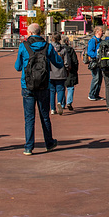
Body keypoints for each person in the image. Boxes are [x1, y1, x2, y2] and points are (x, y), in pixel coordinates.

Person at [14, 23, 64, 155]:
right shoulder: (47, 47)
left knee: (29, 117)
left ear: (30, 33)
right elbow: (58, 64)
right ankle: (49, 142)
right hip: (44, 85)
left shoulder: (23, 46)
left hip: (27, 86)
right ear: (40, 32)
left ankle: (28, 147)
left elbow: (18, 67)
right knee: (44, 116)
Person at [49, 32, 69, 115]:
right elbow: (66, 62)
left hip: (50, 72)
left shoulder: (48, 49)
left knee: (52, 91)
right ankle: (60, 102)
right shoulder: (63, 49)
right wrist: (67, 69)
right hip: (61, 72)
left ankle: (52, 109)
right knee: (60, 89)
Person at [86, 26, 104, 101]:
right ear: (97, 32)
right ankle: (91, 94)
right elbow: (89, 52)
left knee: (100, 78)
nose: (102, 33)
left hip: (99, 62)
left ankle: (96, 94)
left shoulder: (100, 41)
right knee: (96, 78)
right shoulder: (93, 41)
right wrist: (96, 56)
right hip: (94, 61)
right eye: (101, 31)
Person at [62, 36, 79, 111]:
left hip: (59, 71)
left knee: (61, 88)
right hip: (70, 70)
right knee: (70, 87)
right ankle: (69, 102)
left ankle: (62, 103)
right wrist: (75, 69)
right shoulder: (70, 50)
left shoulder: (57, 50)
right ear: (67, 42)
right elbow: (75, 61)